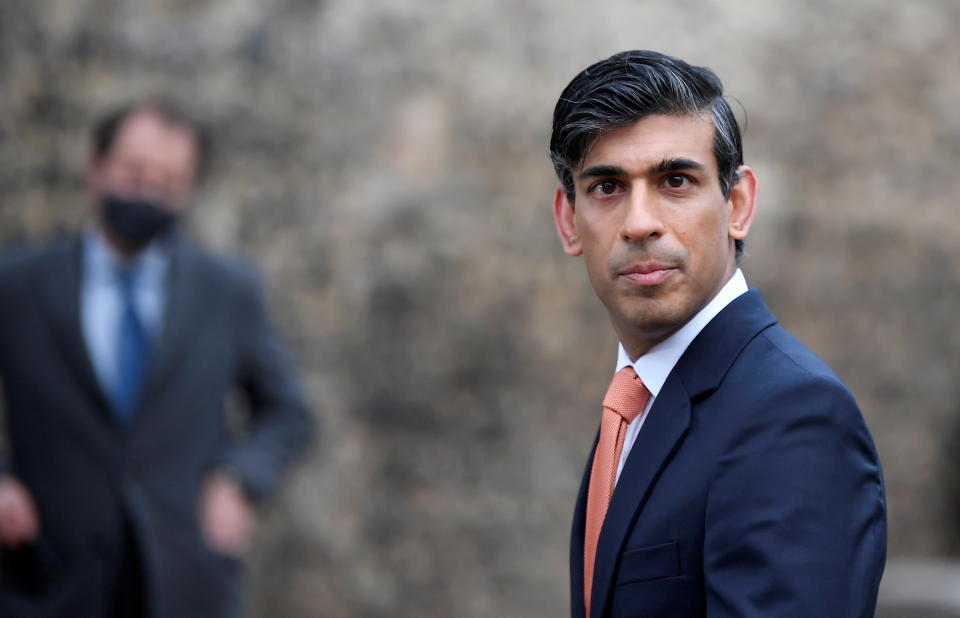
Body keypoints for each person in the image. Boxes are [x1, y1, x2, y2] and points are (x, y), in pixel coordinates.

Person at [549, 50, 886, 617]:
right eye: (607, 187)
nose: (639, 223)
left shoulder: (793, 414)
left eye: (675, 180)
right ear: (568, 219)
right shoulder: (639, 403)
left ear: (737, 203)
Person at [0, 100, 312, 618]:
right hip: (44, 577)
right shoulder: (19, 285)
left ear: (189, 191)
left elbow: (287, 411)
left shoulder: (226, 292)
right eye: (134, 172)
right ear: (95, 169)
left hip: (182, 582)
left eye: (168, 182)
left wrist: (238, 478)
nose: (148, 192)